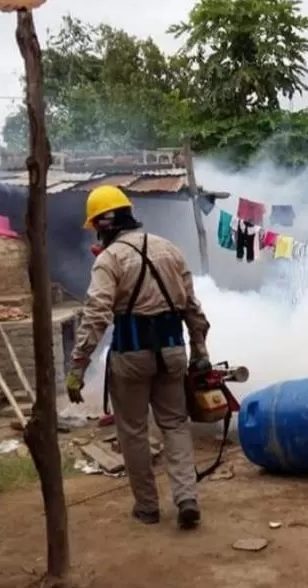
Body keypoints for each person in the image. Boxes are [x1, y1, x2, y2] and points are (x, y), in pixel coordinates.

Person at [66, 185, 212, 530]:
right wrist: (201, 351)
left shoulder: (109, 259)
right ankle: (186, 497)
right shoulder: (170, 249)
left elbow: (97, 313)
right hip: (174, 351)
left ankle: (147, 507)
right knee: (175, 424)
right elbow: (193, 308)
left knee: (132, 430)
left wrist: (78, 366)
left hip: (131, 356)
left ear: (103, 226)